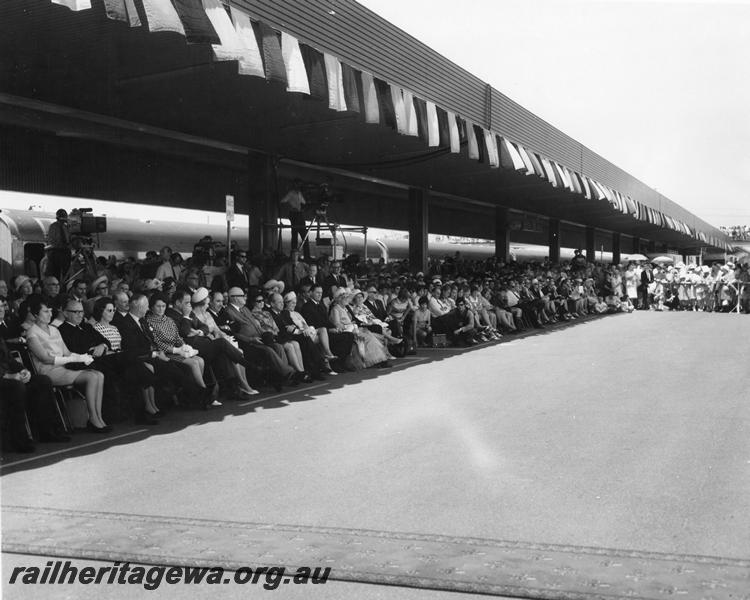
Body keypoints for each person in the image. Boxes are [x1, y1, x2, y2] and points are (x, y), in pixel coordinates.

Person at [24, 295, 109, 433]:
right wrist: (71, 360)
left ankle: (98, 417)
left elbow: (67, 353)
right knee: (92, 377)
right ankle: (93, 418)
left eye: (50, 311)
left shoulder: (54, 330)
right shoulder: (32, 333)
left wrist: (83, 357)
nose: (50, 314)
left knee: (99, 375)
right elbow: (45, 358)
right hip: (49, 371)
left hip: (63, 368)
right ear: (35, 314)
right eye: (45, 311)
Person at [117, 294, 208, 409]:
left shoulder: (143, 321)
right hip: (142, 358)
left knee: (186, 366)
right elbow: (134, 346)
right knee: (177, 370)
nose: (147, 309)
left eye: (163, 306)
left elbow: (157, 340)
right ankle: (199, 394)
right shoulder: (128, 323)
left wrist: (183, 347)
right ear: (138, 307)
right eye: (146, 306)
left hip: (157, 354)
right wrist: (157, 353)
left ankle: (198, 394)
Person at [91, 297, 160, 424]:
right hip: (108, 362)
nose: (112, 313)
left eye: (114, 310)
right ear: (101, 311)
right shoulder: (95, 328)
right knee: (135, 366)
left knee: (133, 373)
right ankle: (149, 381)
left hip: (122, 361)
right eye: (109, 310)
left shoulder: (115, 328)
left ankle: (141, 415)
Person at [329, 288, 391, 368]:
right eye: (345, 298)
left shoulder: (346, 308)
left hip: (355, 328)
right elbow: (337, 324)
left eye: (347, 297)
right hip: (348, 331)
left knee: (371, 336)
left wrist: (360, 324)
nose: (347, 299)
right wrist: (349, 324)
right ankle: (375, 361)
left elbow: (355, 319)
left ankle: (379, 360)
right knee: (368, 338)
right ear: (340, 299)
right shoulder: (335, 309)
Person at [299, 285, 354, 372]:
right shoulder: (307, 306)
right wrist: (329, 329)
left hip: (327, 330)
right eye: (317, 292)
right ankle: (335, 364)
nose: (320, 295)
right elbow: (311, 324)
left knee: (349, 335)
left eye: (321, 293)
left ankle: (342, 362)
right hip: (318, 332)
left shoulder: (321, 305)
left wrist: (335, 327)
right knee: (341, 338)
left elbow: (326, 321)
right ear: (311, 293)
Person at [280, 180, 308, 257]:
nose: (298, 186)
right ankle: (293, 255)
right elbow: (282, 201)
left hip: (300, 214)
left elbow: (304, 203)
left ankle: (307, 256)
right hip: (294, 214)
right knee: (295, 235)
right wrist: (291, 208)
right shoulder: (291, 193)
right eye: (297, 185)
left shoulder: (299, 193)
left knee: (304, 236)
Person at [45, 208, 72, 280]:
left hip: (63, 252)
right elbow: (54, 241)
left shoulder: (66, 227)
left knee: (65, 273)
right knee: (56, 273)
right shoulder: (55, 226)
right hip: (57, 252)